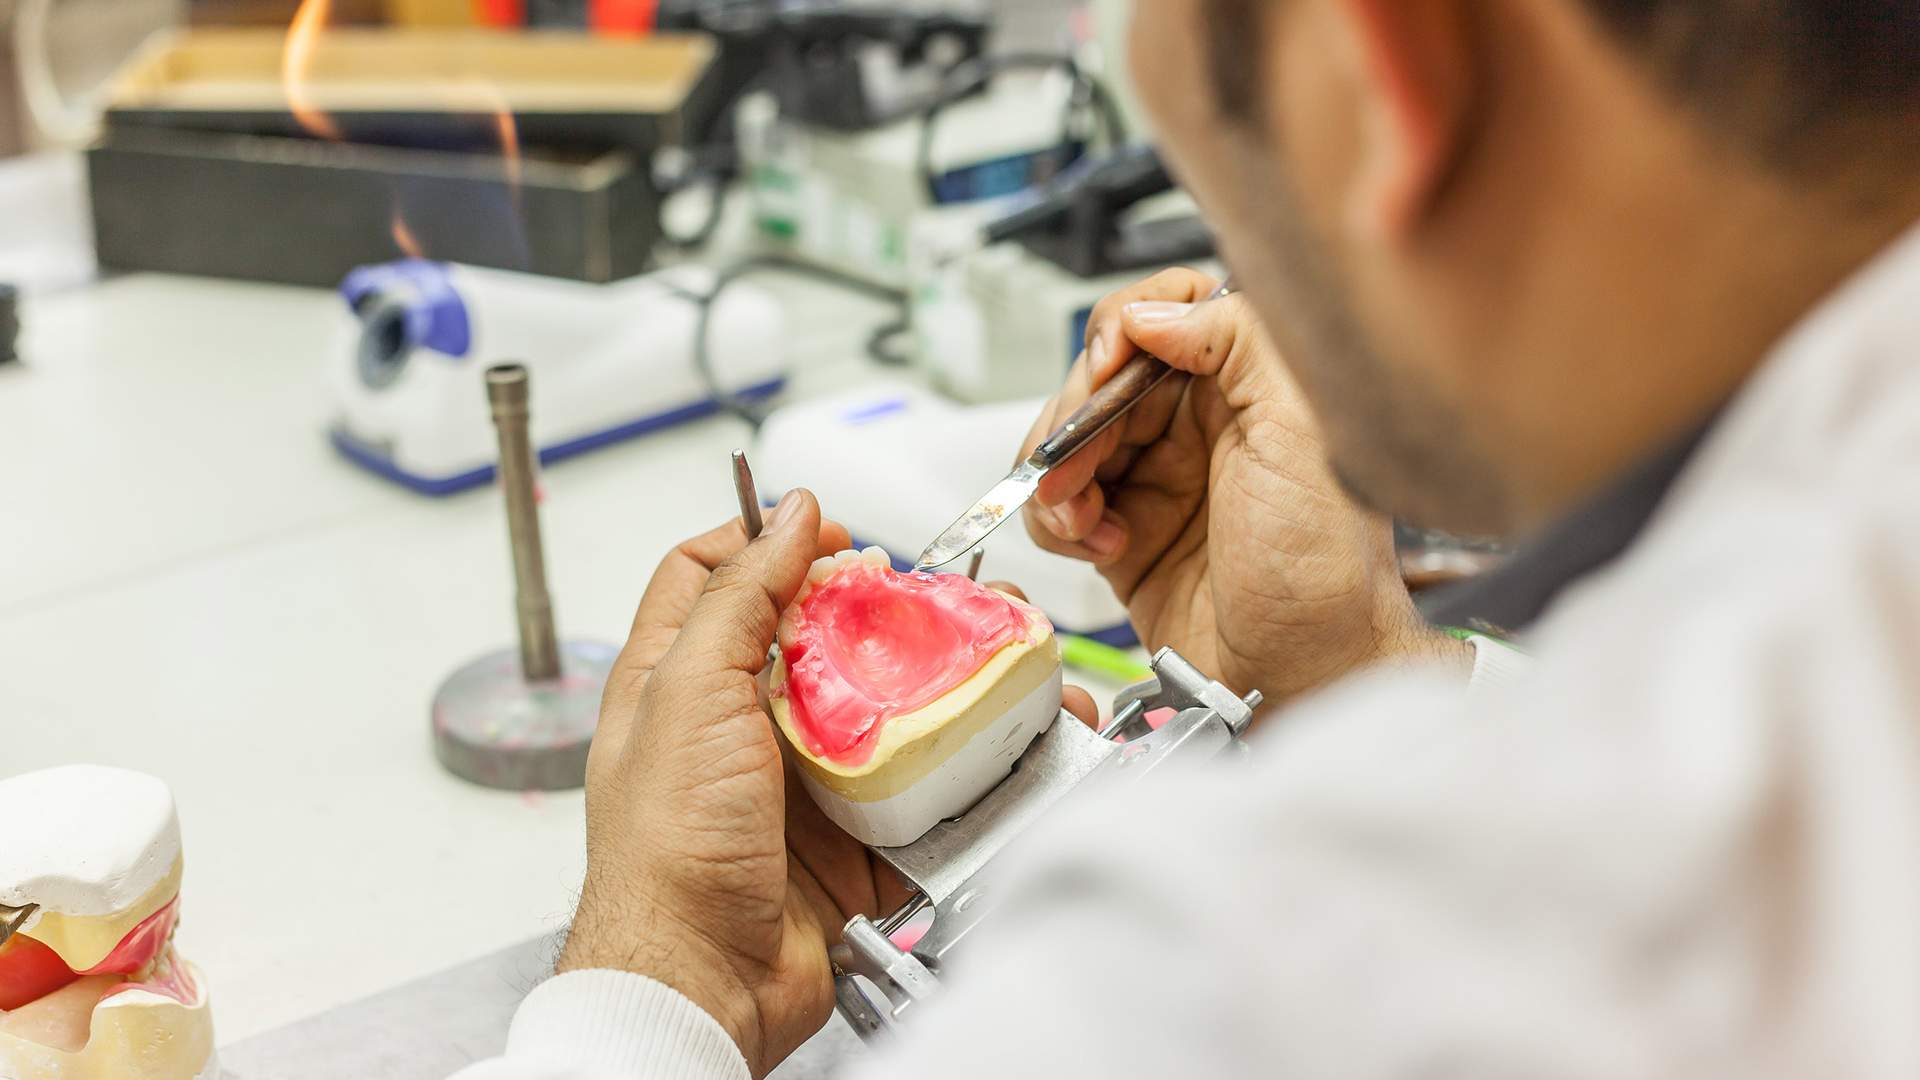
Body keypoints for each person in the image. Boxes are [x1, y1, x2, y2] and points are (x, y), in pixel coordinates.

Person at [458, 0, 1920, 1076]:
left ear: (1392, 65)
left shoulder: (1218, 978)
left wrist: (650, 991)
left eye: (1215, 191)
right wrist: (1367, 678)